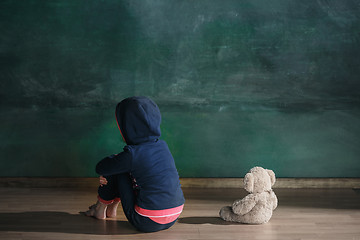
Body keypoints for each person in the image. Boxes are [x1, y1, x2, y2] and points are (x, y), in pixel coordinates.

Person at [85, 96, 185, 232]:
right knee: (122, 165)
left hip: (146, 221)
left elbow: (100, 167)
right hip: (174, 216)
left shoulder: (133, 154)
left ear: (128, 126)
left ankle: (100, 208)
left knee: (115, 167)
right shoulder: (162, 146)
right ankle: (111, 209)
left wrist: (113, 162)